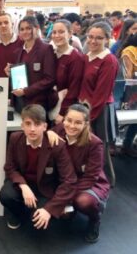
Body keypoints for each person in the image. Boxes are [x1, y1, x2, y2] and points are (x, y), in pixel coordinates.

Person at [0, 104, 77, 231]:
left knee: (44, 223)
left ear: (45, 126)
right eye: (28, 124)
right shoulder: (15, 138)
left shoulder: (56, 145)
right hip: (22, 185)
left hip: (44, 188)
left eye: (37, 124)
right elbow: (10, 167)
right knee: (6, 195)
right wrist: (23, 186)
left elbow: (69, 180)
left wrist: (48, 209)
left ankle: (32, 210)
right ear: (22, 125)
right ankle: (17, 213)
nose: (32, 129)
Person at [50, 104, 110, 243]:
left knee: (83, 202)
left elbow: (90, 177)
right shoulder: (58, 130)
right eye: (69, 120)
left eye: (78, 122)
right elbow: (46, 131)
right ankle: (71, 209)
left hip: (88, 183)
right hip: (65, 180)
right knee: (63, 215)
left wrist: (66, 198)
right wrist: (48, 132)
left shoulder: (95, 144)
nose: (71, 125)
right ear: (63, 120)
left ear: (86, 124)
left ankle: (95, 220)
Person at [79, 21, 119, 144]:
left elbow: (101, 94)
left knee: (99, 149)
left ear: (107, 39)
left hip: (99, 111)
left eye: (99, 38)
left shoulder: (109, 61)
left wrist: (88, 119)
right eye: (90, 37)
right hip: (84, 109)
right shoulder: (86, 57)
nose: (93, 41)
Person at [8, 16, 58, 114]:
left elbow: (49, 79)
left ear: (36, 28)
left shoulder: (46, 49)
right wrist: (10, 72)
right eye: (22, 29)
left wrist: (26, 91)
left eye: (28, 28)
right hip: (20, 102)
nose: (25, 31)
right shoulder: (19, 51)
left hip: (38, 103)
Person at [50, 19, 85, 124]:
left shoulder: (75, 58)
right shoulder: (52, 54)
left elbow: (74, 89)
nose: (57, 35)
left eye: (61, 32)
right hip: (51, 105)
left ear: (70, 33)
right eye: (54, 32)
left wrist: (62, 113)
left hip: (63, 111)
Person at [0, 12, 23, 78]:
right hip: (0, 86)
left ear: (12, 24)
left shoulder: (22, 42)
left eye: (6, 22)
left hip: (19, 85)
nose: (3, 26)